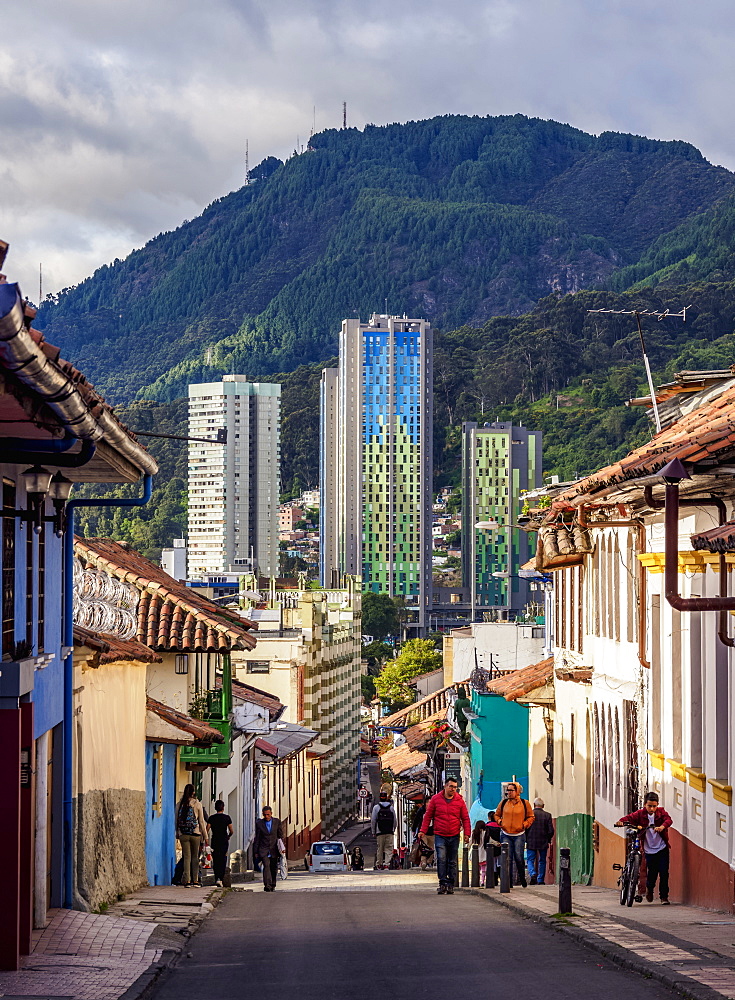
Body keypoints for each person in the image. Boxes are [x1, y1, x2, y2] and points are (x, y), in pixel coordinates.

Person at [615, 792, 673, 904]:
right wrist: (621, 822)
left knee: (664, 872)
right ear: (645, 805)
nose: (652, 809)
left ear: (657, 805)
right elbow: (629, 818)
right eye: (649, 806)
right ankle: (649, 889)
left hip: (662, 847)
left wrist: (662, 827)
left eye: (654, 806)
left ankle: (664, 897)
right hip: (649, 850)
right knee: (652, 872)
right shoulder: (640, 814)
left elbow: (668, 820)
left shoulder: (661, 812)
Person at [420, 777, 471, 895]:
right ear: (445, 786)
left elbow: (465, 818)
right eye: (451, 786)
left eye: (455, 787)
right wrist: (423, 830)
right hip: (440, 834)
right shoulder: (435, 799)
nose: (453, 789)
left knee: (452, 861)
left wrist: (467, 833)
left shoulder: (459, 801)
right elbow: (428, 816)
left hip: (454, 834)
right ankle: (443, 883)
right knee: (442, 859)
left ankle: (451, 884)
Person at [495, 781, 534, 887]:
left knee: (518, 857)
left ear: (517, 791)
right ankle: (509, 882)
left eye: (511, 790)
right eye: (507, 790)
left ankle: (522, 879)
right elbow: (497, 815)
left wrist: (524, 825)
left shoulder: (524, 803)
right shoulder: (503, 803)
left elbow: (531, 817)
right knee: (507, 858)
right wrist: (500, 822)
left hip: (519, 834)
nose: (509, 793)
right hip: (506, 834)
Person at [176, 783, 208, 887]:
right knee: (195, 857)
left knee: (186, 857)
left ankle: (187, 880)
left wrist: (177, 832)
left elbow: (176, 819)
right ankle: (195, 880)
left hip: (183, 834)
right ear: (193, 792)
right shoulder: (197, 804)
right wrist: (206, 836)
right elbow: (201, 821)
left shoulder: (180, 804)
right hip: (195, 834)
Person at [253, 806, 284, 892]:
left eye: (268, 814)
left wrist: (282, 847)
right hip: (264, 849)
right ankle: (267, 885)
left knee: (273, 867)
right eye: (265, 815)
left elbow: (280, 836)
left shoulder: (277, 822)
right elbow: (257, 838)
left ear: (271, 814)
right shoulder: (259, 824)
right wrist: (255, 851)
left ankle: (273, 884)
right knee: (266, 866)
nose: (266, 816)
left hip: (274, 849)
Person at [525, 797, 554, 885]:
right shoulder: (547, 815)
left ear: (534, 805)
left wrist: (526, 838)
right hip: (543, 841)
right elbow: (551, 830)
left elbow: (525, 828)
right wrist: (548, 839)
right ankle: (540, 879)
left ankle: (532, 873)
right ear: (543, 806)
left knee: (530, 859)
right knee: (542, 860)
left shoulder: (529, 815)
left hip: (531, 840)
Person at [207, 799, 233, 887]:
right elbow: (231, 830)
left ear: (215, 808)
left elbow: (207, 829)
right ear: (223, 808)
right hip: (224, 840)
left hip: (215, 840)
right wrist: (228, 836)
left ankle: (216, 877)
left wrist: (205, 839)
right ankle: (221, 879)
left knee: (216, 859)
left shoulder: (211, 818)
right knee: (223, 859)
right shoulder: (227, 818)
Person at [371, 791, 397, 869]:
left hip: (380, 832)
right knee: (388, 848)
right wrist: (393, 829)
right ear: (386, 798)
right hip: (389, 831)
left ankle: (379, 864)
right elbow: (395, 821)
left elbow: (373, 820)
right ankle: (387, 864)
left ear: (380, 798)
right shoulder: (391, 808)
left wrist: (373, 831)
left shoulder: (376, 808)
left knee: (380, 848)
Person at [484, 814, 502, 887]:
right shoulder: (500, 826)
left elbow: (486, 838)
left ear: (489, 817)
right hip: (500, 846)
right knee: (499, 863)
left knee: (492, 864)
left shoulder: (487, 826)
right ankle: (501, 878)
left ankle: (494, 880)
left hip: (490, 847)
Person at [471, 820, 488, 887]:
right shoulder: (485, 833)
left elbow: (470, 842)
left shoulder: (474, 833)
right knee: (483, 869)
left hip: (475, 853)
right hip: (483, 853)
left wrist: (467, 848)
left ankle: (476, 881)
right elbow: (490, 840)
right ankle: (482, 881)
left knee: (476, 869)